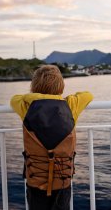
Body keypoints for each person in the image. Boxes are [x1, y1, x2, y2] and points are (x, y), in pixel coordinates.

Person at [10, 65, 93, 210]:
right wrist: (59, 98)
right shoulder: (70, 105)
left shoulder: (26, 106)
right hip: (62, 182)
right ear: (61, 86)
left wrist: (35, 96)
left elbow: (14, 99)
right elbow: (88, 95)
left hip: (36, 181)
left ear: (34, 86)